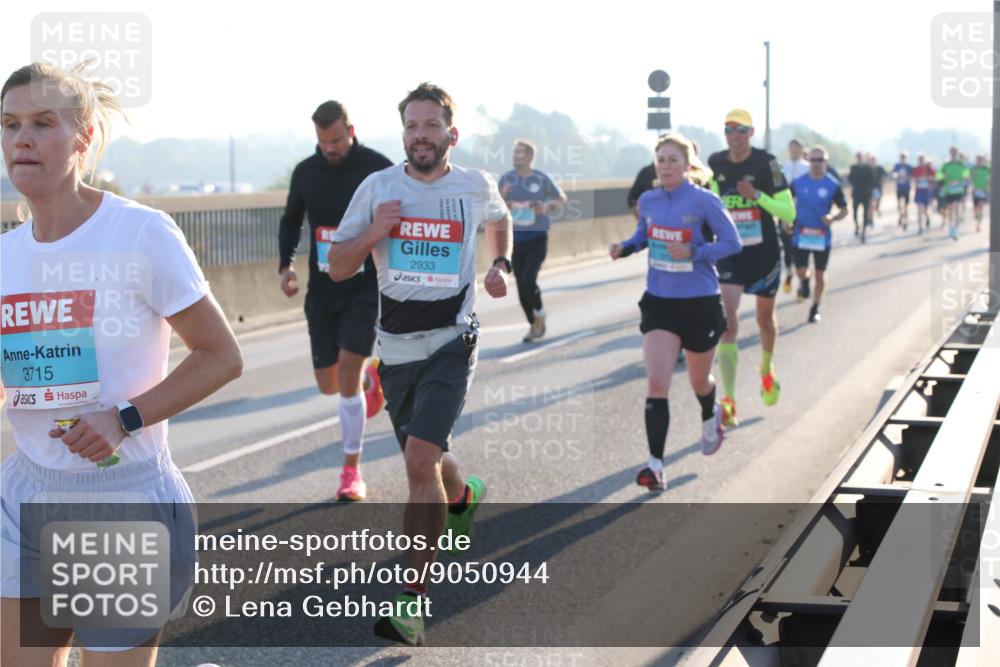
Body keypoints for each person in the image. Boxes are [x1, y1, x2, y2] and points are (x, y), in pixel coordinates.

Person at [1, 63, 243, 666]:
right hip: (28, 490)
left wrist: (123, 418)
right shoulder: (5, 255)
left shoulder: (138, 234)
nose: (20, 139)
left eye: (41, 123)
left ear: (82, 139)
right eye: (9, 124)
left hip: (120, 500)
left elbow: (221, 355)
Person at [328, 82, 511, 647]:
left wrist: (499, 262)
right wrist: (377, 232)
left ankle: (411, 603)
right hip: (396, 351)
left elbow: (500, 219)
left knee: (418, 458)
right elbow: (337, 266)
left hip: (452, 342)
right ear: (403, 134)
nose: (421, 135)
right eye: (412, 126)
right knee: (432, 466)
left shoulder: (474, 185)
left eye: (431, 125)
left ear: (450, 134)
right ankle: (462, 495)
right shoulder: (377, 188)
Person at [610, 133, 740, 489]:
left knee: (699, 380)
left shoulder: (704, 201)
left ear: (687, 166)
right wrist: (626, 246)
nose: (665, 166)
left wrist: (696, 253)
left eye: (672, 160)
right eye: (660, 159)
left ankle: (709, 413)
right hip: (660, 302)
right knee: (657, 382)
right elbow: (643, 235)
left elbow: (732, 242)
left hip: (699, 302)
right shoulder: (649, 200)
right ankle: (655, 466)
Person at [277, 100, 392, 502]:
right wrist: (285, 265)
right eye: (323, 141)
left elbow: (402, 213)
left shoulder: (376, 167)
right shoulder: (306, 173)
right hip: (322, 289)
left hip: (365, 286)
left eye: (337, 139)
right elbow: (291, 219)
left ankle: (351, 470)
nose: (330, 148)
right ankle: (366, 378)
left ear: (351, 130)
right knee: (329, 384)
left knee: (344, 378)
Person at [708, 109, 796, 428]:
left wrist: (757, 196)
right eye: (728, 129)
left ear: (751, 133)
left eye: (740, 130)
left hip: (764, 255)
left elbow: (789, 211)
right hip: (732, 254)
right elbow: (711, 202)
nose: (734, 136)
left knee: (764, 321)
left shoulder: (766, 163)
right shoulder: (715, 163)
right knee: (728, 324)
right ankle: (729, 400)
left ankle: (766, 368)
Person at [498, 139, 567, 342]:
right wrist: (503, 200)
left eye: (520, 153)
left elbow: (561, 200)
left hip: (537, 237)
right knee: (520, 285)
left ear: (529, 157)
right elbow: (495, 205)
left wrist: (545, 207)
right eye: (514, 153)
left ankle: (539, 312)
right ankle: (533, 323)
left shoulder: (541, 178)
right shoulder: (506, 180)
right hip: (514, 240)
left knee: (529, 280)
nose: (515, 156)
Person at [790, 146, 849, 324]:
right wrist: (786, 220)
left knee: (820, 274)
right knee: (800, 271)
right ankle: (804, 282)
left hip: (822, 236)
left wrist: (833, 217)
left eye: (820, 160)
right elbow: (786, 202)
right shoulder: (798, 182)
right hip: (801, 233)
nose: (816, 164)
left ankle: (815, 308)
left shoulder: (833, 185)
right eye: (813, 160)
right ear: (808, 162)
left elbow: (844, 210)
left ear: (826, 162)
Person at [780, 139, 810, 294]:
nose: (794, 151)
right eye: (791, 148)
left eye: (797, 149)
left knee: (801, 249)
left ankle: (803, 282)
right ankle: (789, 273)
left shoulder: (807, 168)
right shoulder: (782, 167)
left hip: (802, 214)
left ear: (801, 150)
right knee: (787, 247)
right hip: (784, 213)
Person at [938, 146, 971, 240]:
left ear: (957, 153)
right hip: (949, 190)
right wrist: (944, 176)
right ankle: (951, 226)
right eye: (952, 152)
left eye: (955, 152)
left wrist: (962, 179)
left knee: (955, 207)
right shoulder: (946, 164)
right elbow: (938, 175)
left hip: (958, 190)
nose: (953, 153)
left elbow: (967, 174)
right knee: (950, 209)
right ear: (950, 153)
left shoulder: (961, 164)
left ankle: (955, 229)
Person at [847, 152, 875, 241]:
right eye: (858, 156)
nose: (859, 158)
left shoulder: (867, 168)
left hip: (865, 194)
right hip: (856, 193)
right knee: (855, 212)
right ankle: (857, 226)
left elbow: (871, 180)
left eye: (860, 156)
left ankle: (863, 231)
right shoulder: (853, 168)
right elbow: (850, 179)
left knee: (865, 213)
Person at [912, 152, 936, 233]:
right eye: (919, 159)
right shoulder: (915, 169)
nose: (921, 160)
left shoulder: (929, 168)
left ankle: (927, 217)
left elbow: (934, 178)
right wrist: (918, 179)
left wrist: (928, 178)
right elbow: (913, 179)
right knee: (919, 209)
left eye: (922, 159)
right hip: (919, 191)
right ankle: (920, 227)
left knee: (925, 209)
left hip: (927, 191)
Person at [892, 151, 914, 229]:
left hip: (906, 188)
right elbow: (893, 174)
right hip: (899, 188)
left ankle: (905, 220)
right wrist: (896, 175)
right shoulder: (897, 166)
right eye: (902, 157)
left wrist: (907, 177)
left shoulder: (909, 167)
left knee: (906, 206)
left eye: (904, 157)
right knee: (899, 204)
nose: (903, 158)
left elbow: (912, 176)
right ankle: (901, 215)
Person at [970, 154, 990, 233]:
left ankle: (978, 225)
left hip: (984, 190)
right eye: (978, 160)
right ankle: (976, 215)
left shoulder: (987, 169)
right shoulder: (973, 168)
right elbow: (970, 178)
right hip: (976, 190)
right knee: (976, 208)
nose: (980, 161)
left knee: (980, 206)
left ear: (984, 161)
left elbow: (992, 177)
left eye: (981, 160)